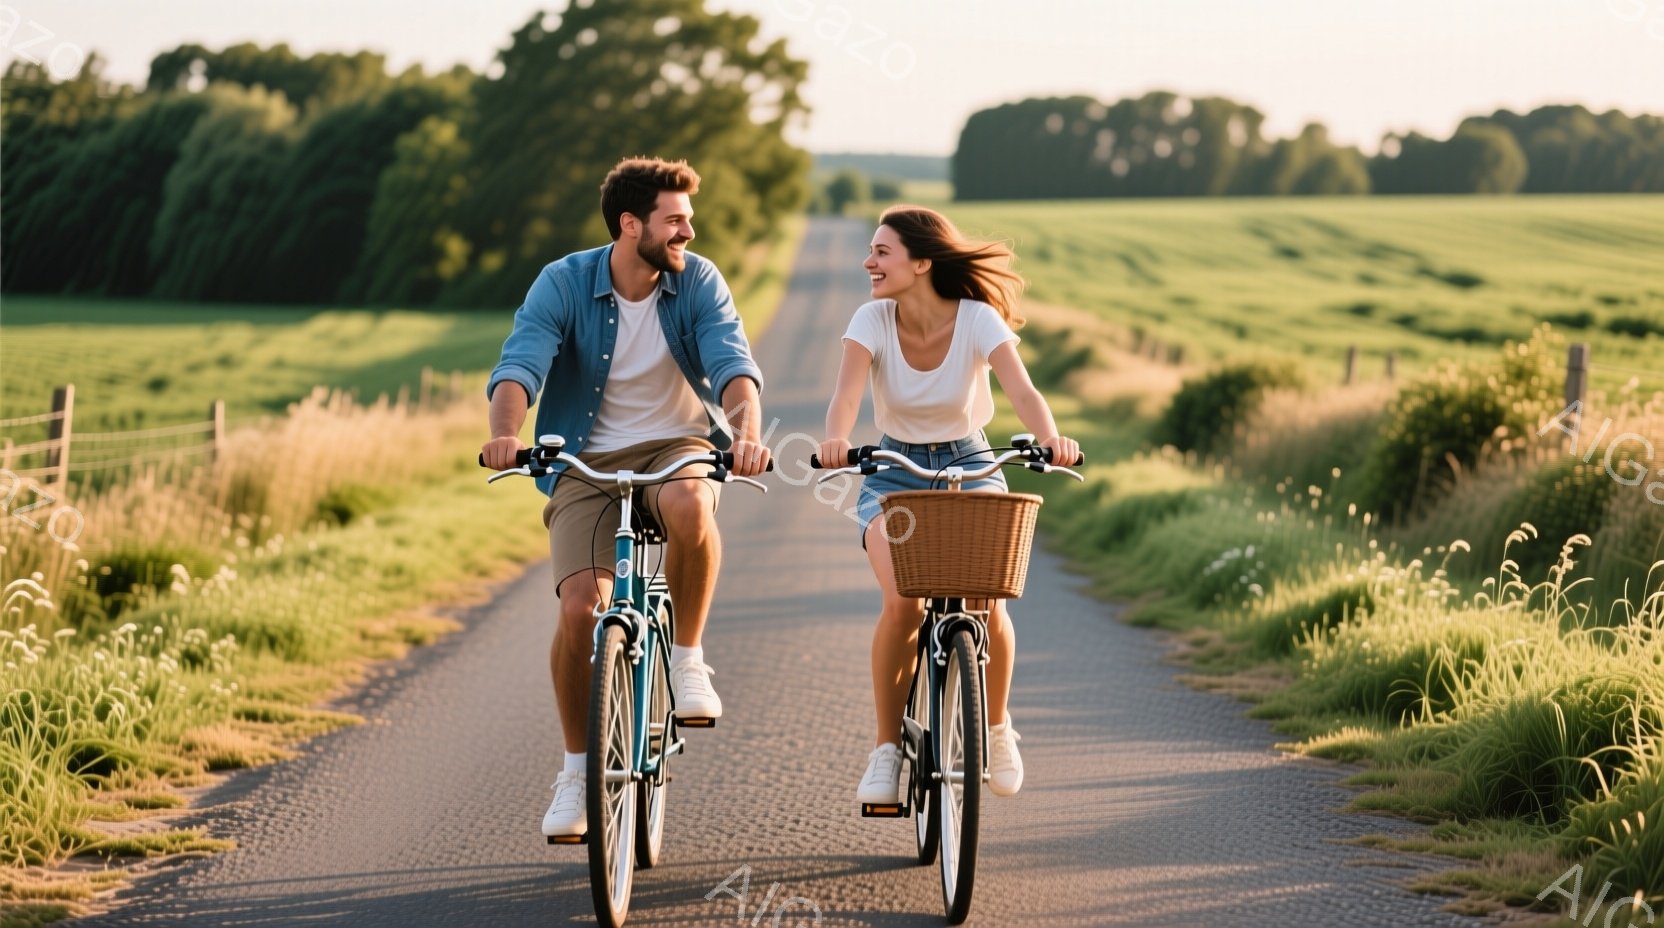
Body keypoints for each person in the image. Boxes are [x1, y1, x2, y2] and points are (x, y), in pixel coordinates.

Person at [482, 157, 772, 838]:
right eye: (675, 221)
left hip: (679, 446)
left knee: (690, 507)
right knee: (581, 607)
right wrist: (505, 435)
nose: (688, 233)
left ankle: (687, 658)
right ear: (631, 224)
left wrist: (747, 436)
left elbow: (733, 366)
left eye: (688, 220)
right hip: (585, 459)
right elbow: (521, 364)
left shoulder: (697, 280)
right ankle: (576, 772)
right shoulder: (564, 282)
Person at [818, 205, 1081, 807]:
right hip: (893, 468)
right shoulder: (871, 319)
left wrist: (1051, 439)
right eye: (871, 250)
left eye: (882, 252)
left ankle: (997, 727)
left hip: (971, 462)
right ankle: (887, 749)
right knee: (902, 602)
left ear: (922, 263)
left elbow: (1022, 391)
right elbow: (846, 395)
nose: (868, 261)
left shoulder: (977, 319)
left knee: (988, 599)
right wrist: (835, 440)